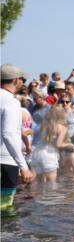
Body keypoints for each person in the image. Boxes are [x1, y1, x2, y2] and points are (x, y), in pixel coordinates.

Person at [1, 64, 35, 209]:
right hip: (5, 162)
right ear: (16, 81)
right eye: (23, 79)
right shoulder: (11, 102)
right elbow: (8, 134)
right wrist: (23, 166)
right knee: (5, 207)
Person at [31, 102, 74, 182]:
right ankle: (51, 195)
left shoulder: (44, 125)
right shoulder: (62, 128)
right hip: (49, 156)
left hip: (37, 154)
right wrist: (69, 144)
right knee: (51, 182)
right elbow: (58, 144)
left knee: (39, 182)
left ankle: (36, 194)